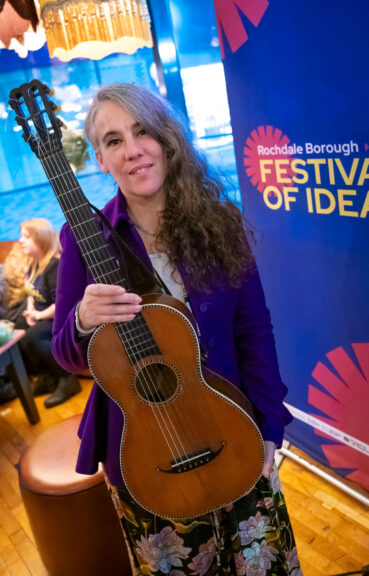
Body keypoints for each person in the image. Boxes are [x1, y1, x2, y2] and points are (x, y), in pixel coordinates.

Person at [52, 84, 301, 575]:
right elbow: (68, 355)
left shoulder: (219, 223)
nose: (133, 150)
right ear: (101, 159)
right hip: (148, 454)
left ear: (166, 139)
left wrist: (270, 425)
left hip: (232, 430)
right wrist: (82, 319)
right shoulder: (84, 239)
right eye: (114, 140)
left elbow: (254, 330)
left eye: (142, 131)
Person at [16, 218, 81, 408]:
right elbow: (30, 292)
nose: (20, 241)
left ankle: (67, 379)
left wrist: (38, 316)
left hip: (58, 317)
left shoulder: (53, 266)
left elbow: (61, 304)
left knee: (32, 337)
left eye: (26, 237)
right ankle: (48, 378)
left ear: (41, 240)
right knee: (18, 332)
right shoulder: (34, 264)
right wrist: (30, 310)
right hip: (41, 314)